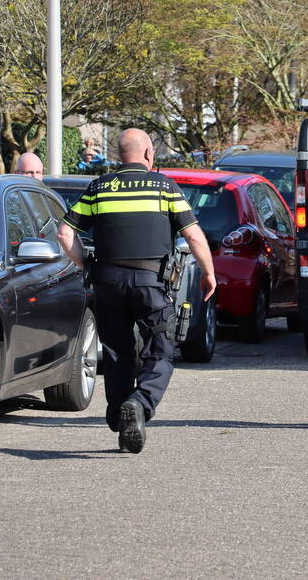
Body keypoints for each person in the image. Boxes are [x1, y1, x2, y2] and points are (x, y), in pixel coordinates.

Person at [57, 128, 216, 454]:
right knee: (160, 351)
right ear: (148, 154)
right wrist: (209, 275)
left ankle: (120, 419)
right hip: (151, 284)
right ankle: (140, 404)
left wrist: (85, 265)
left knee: (117, 354)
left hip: (108, 283)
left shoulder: (100, 188)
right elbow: (195, 236)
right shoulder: (163, 187)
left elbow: (64, 233)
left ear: (119, 155)